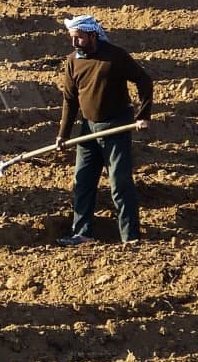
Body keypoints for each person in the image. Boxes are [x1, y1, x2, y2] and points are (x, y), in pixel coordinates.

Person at [54, 15, 153, 247]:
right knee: (83, 182)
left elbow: (144, 81)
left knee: (119, 183)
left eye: (78, 38)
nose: (74, 43)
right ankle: (82, 233)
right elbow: (70, 100)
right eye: (72, 38)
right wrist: (63, 134)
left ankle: (130, 237)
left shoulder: (115, 56)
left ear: (92, 35)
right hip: (88, 129)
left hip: (116, 125)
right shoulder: (72, 62)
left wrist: (143, 116)